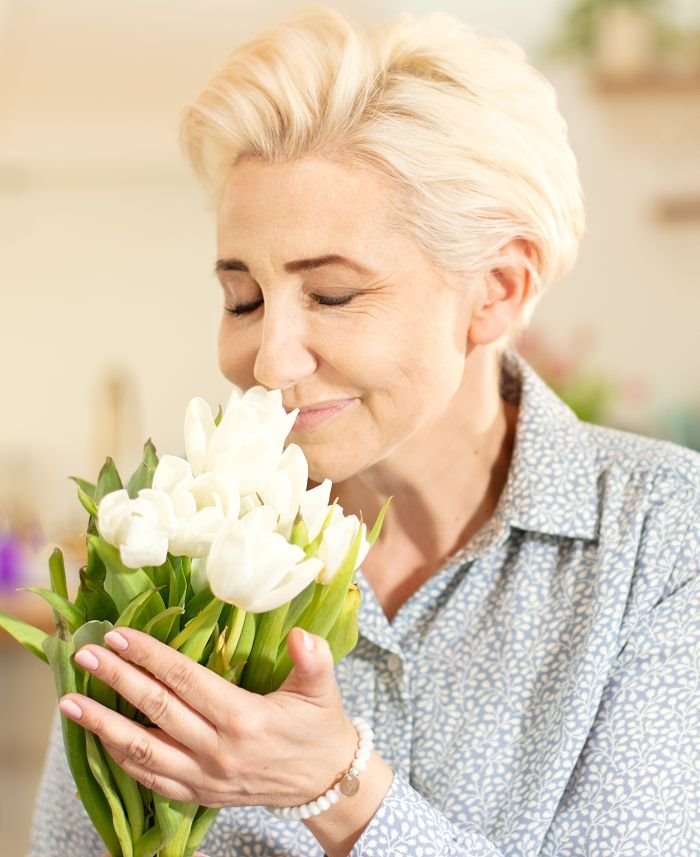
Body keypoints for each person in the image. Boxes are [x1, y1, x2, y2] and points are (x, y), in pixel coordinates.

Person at [29, 7, 699, 856]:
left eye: (334, 294)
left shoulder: (665, 540)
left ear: (497, 288)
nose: (269, 359)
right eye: (242, 298)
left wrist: (337, 786)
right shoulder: (165, 544)